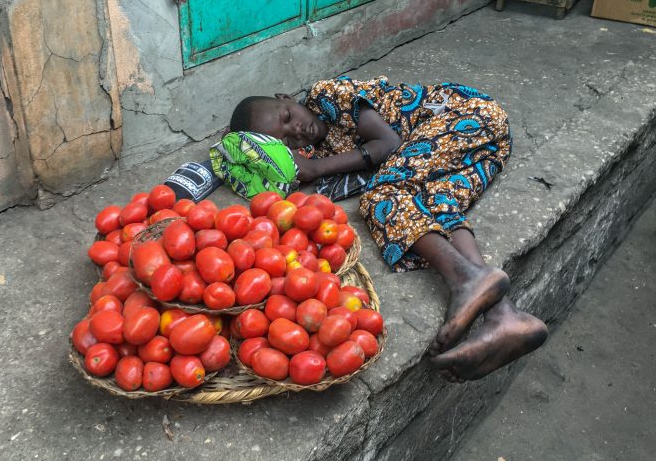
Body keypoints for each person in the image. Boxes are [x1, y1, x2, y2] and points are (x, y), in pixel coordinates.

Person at [229, 76, 547, 382]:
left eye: (287, 116)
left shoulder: (327, 95)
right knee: (436, 205)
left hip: (465, 116)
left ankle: (467, 281)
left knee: (383, 196)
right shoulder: (320, 149)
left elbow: (390, 144)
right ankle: (503, 317)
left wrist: (317, 169)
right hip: (477, 146)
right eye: (287, 141)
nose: (296, 130)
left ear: (286, 98)